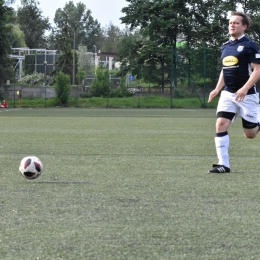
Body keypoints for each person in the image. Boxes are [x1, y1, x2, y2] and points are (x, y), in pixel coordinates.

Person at [207, 11, 260, 173]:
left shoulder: (250, 45)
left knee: (250, 134)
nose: (232, 25)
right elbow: (225, 69)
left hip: (248, 94)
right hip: (228, 94)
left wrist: (245, 88)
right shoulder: (225, 46)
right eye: (230, 22)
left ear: (244, 26)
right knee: (221, 124)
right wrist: (217, 89)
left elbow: (257, 69)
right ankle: (223, 164)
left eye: (236, 23)